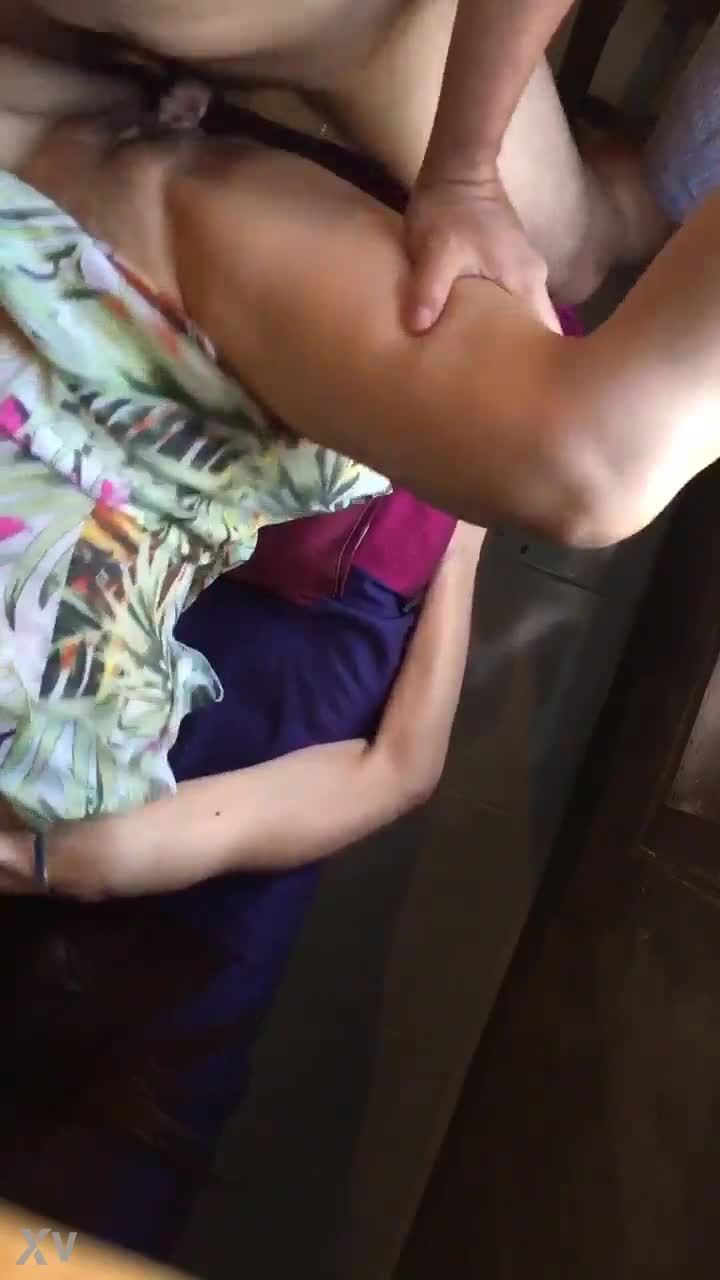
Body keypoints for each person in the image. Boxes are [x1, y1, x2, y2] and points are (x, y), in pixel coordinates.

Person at [1, 45, 720, 834]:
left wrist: (467, 170)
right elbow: (397, 772)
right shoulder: (65, 806)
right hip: (161, 368)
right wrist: (461, 548)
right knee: (589, 409)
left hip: (111, 293)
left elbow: (396, 774)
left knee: (592, 448)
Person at [24, 0, 671, 334]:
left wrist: (466, 175)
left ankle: (654, 190)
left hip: (370, 34)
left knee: (571, 257)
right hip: (86, 24)